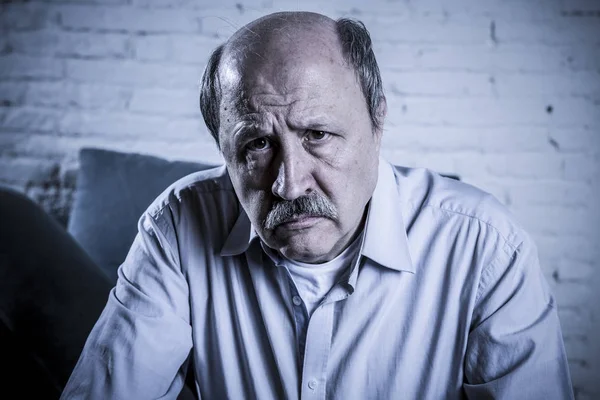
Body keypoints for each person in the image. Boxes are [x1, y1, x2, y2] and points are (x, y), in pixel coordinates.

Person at [61, 11, 574, 399]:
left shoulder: (485, 247)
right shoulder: (177, 225)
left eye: (319, 134)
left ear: (378, 121)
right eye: (256, 145)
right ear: (222, 150)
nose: (288, 184)